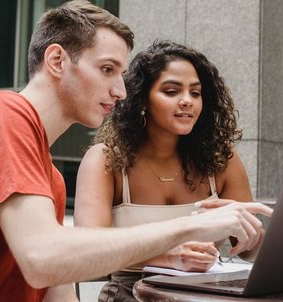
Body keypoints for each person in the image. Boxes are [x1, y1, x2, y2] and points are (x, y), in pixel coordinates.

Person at [0, 1, 272, 301]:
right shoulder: (3, 111)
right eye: (107, 69)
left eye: (121, 75)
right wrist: (191, 227)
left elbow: (60, 291)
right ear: (56, 61)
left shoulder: (50, 178)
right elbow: (42, 258)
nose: (120, 91)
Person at [73, 40, 259, 301]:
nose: (187, 101)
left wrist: (254, 236)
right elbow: (86, 252)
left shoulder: (221, 161)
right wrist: (166, 256)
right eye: (172, 91)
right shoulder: (106, 160)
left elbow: (250, 252)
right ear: (142, 100)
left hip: (206, 294)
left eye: (195, 93)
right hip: (130, 294)